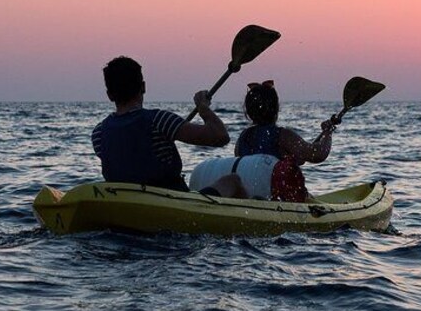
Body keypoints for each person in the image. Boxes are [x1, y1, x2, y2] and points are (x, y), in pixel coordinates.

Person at [92, 56, 243, 197]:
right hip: (173, 204)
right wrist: (203, 108)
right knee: (233, 181)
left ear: (109, 95)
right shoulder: (159, 120)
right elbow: (220, 137)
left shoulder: (98, 134)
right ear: (143, 87)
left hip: (128, 206)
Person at [189, 80, 336, 202]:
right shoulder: (282, 135)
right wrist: (327, 133)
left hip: (249, 196)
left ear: (248, 112)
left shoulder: (243, 137)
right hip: (275, 199)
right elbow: (317, 154)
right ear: (276, 109)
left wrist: (294, 160)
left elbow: (247, 169)